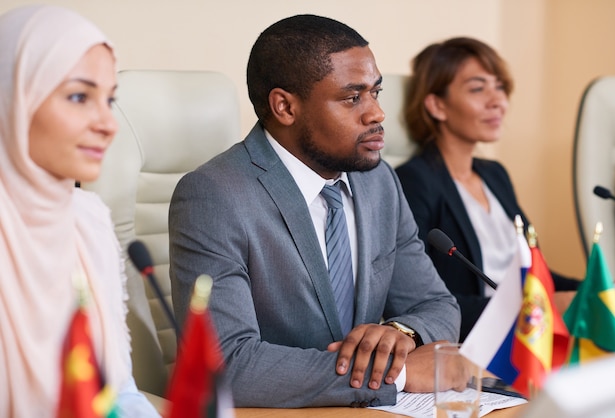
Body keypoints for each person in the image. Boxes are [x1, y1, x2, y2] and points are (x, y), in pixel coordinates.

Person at [169, 14, 461, 408]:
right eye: (352, 97)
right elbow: (225, 364)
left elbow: (437, 306)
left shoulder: (379, 182)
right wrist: (400, 373)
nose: (376, 114)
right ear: (285, 107)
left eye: (375, 92)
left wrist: (402, 332)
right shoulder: (213, 195)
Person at [0, 5, 159, 417]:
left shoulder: (87, 220)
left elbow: (118, 390)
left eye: (109, 100)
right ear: (13, 97)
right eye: (78, 97)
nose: (109, 123)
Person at [395, 37, 580, 342]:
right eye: (478, 88)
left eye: (500, 87)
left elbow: (536, 273)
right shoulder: (413, 182)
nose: (498, 101)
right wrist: (535, 309)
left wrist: (599, 290)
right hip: (475, 346)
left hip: (532, 334)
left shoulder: (494, 174)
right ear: (437, 105)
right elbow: (422, 303)